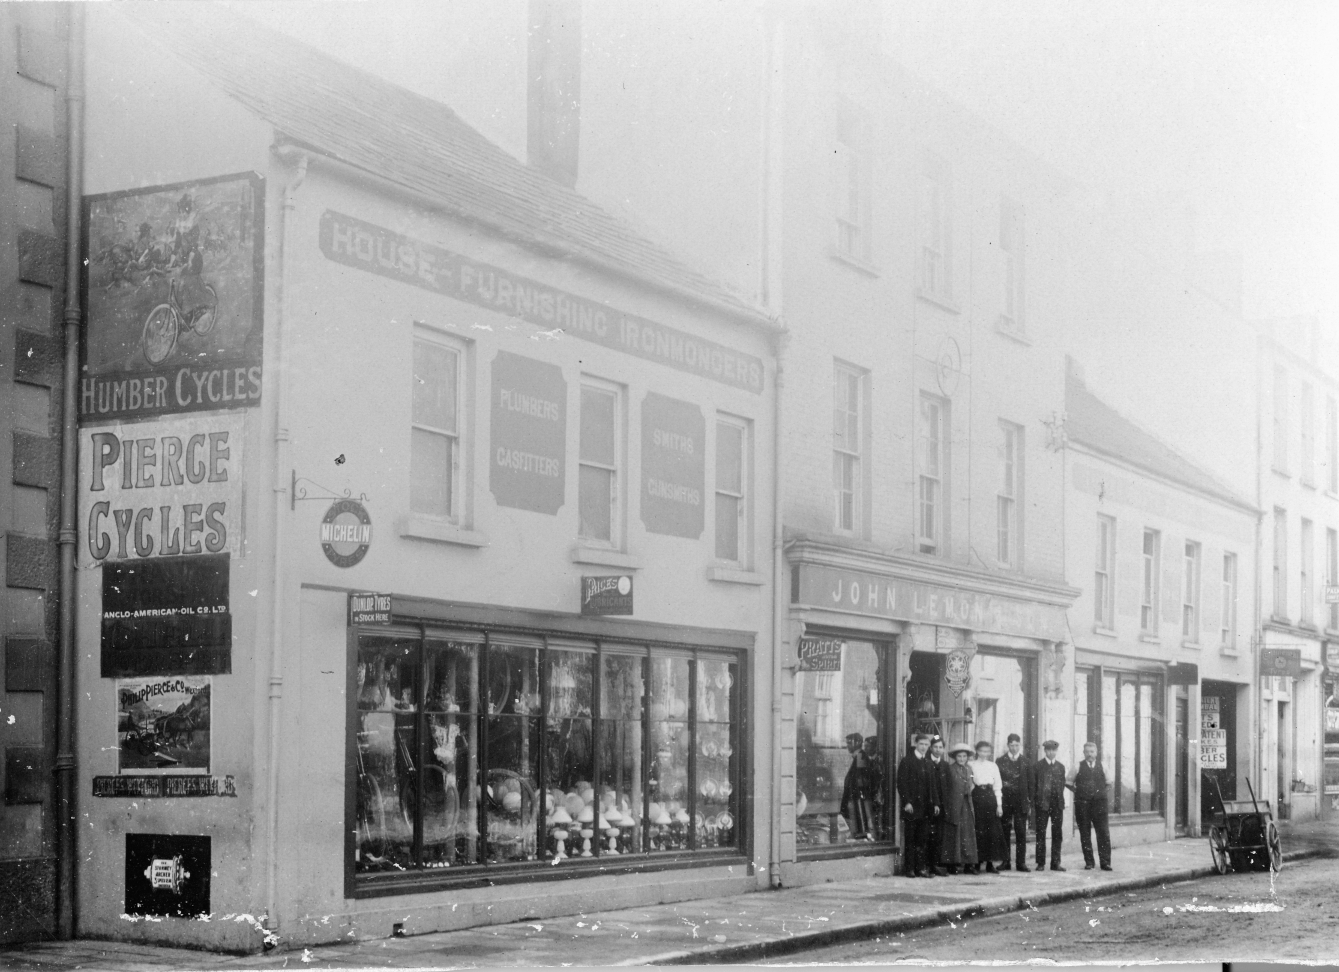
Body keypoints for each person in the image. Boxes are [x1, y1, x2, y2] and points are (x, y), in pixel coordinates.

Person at [896, 733, 940, 877]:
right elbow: (901, 784)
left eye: (927, 745)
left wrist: (935, 803)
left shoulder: (928, 763)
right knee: (910, 838)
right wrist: (907, 802)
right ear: (915, 744)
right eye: (921, 744)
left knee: (922, 839)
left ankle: (920, 868)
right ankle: (909, 869)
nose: (924, 747)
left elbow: (933, 785)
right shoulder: (907, 761)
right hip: (912, 807)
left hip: (925, 808)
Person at [1068, 741, 1112, 871]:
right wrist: (1080, 792)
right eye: (1087, 752)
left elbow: (1109, 783)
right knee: (1085, 833)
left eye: (1092, 752)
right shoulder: (1077, 766)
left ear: (1096, 753)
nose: (1089, 755)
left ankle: (1105, 862)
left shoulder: (1103, 765)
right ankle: (1089, 862)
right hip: (1083, 805)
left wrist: (1100, 793)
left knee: (1103, 833)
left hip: (1100, 805)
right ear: (1083, 753)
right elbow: (1068, 782)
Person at [939, 744, 978, 874]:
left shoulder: (969, 769)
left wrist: (970, 788)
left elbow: (972, 782)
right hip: (954, 805)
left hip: (967, 804)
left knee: (967, 834)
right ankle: (952, 864)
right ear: (955, 757)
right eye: (959, 756)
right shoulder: (950, 769)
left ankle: (968, 864)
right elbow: (946, 787)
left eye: (964, 756)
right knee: (954, 833)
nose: (962, 759)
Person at [996, 733, 1033, 872]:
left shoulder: (1026, 762)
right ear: (1008, 745)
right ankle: (1006, 862)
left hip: (1020, 802)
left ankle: (1021, 863)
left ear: (1020, 745)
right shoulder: (1000, 761)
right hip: (1005, 801)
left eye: (1017, 745)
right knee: (1004, 832)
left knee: (1021, 832)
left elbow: (1031, 784)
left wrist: (1029, 802)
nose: (1014, 748)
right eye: (1011, 745)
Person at [969, 741, 1005, 873]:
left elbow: (998, 786)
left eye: (987, 751)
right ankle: (977, 863)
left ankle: (990, 863)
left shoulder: (993, 766)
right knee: (979, 830)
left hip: (990, 798)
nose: (984, 754)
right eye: (981, 751)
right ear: (976, 751)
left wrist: (999, 805)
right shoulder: (971, 765)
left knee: (992, 831)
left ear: (990, 752)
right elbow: (970, 782)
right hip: (977, 796)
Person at [1033, 739, 1067, 871]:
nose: (1051, 752)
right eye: (1048, 750)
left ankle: (1055, 863)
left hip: (1057, 804)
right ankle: (1040, 863)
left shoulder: (1061, 767)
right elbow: (1035, 786)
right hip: (1042, 805)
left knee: (1057, 833)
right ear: (1045, 751)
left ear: (1056, 751)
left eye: (1053, 750)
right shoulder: (1038, 766)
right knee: (1040, 833)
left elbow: (1062, 785)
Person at [841, 733, 874, 840]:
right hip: (856, 798)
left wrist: (858, 794)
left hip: (858, 799)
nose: (848, 746)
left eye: (850, 743)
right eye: (847, 743)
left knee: (859, 822)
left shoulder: (860, 756)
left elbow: (861, 779)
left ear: (858, 743)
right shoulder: (859, 756)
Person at [926, 737, 951, 875]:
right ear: (931, 748)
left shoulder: (945, 765)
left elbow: (948, 787)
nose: (938, 750)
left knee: (938, 836)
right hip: (928, 806)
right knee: (927, 835)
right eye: (935, 747)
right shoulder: (926, 762)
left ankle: (935, 864)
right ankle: (926, 865)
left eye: (940, 747)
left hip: (941, 807)